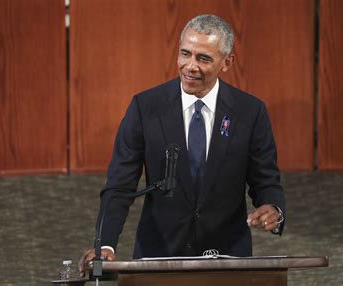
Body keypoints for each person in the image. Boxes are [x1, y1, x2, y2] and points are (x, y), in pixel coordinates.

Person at [79, 14, 285, 274]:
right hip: (159, 255)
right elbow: (120, 185)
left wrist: (274, 209)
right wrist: (105, 246)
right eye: (185, 54)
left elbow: (265, 179)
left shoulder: (250, 112)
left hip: (227, 258)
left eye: (203, 58)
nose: (190, 66)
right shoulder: (145, 108)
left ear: (227, 62)